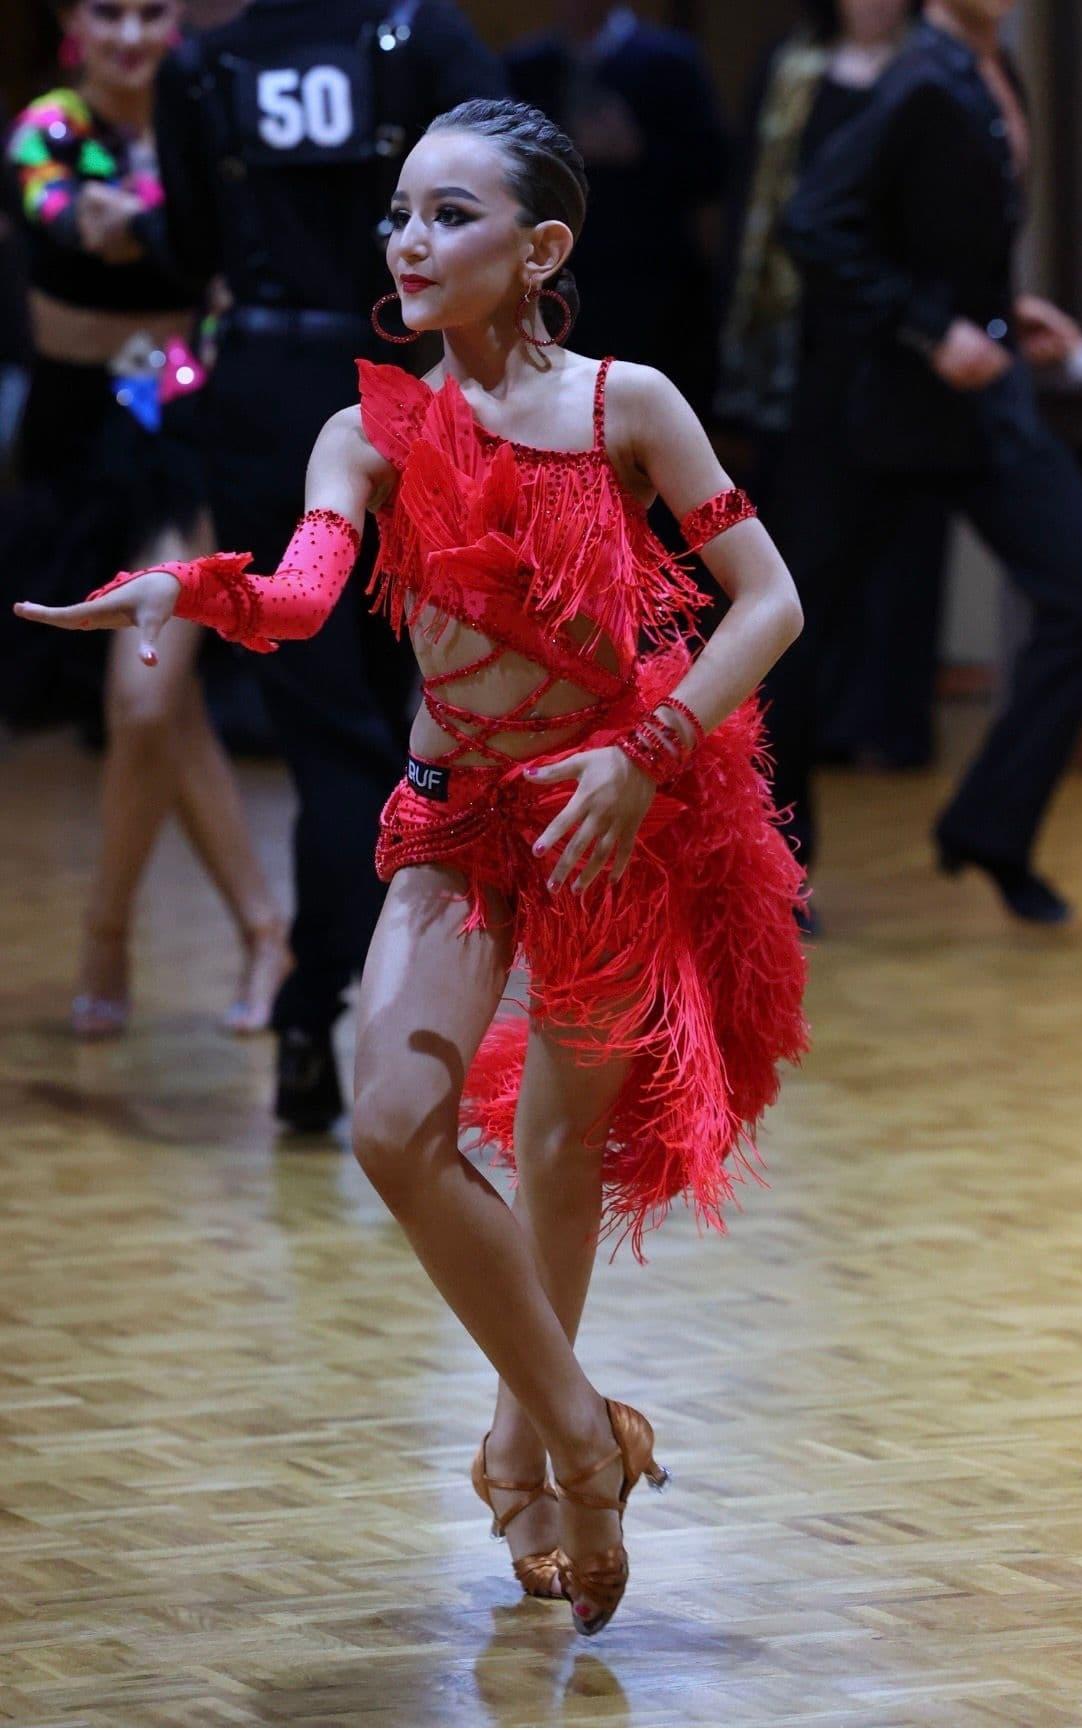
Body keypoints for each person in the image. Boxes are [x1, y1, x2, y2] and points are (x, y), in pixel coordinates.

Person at [16, 98, 807, 1636]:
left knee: (565, 1156)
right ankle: (587, 1429)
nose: (408, 240)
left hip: (604, 812)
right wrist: (187, 587)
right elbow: (307, 594)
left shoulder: (625, 407)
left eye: (451, 215)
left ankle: (529, 1450)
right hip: (453, 821)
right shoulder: (366, 428)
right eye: (399, 214)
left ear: (540, 248)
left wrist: (646, 760)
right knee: (391, 1122)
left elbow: (766, 600)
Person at [148, 0, 507, 1128]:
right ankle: (391, 1023)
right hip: (415, 395)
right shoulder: (428, 37)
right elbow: (521, 181)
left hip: (264, 394)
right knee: (424, 722)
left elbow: (193, 250)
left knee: (329, 733)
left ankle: (315, 1015)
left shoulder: (206, 67)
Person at [4, 0, 286, 1037]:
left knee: (143, 697)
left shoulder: (202, 121)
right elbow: (72, 223)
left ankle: (106, 928)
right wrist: (168, 231)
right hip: (74, 443)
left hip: (175, 433)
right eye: (108, 11)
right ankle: (265, 929)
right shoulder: (49, 127)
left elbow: (226, 266)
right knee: (172, 716)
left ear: (180, 22)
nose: (130, 34)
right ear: (74, 22)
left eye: (152, 12)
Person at [771, 0, 1082, 923]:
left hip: (980, 400)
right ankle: (774, 874)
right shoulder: (917, 81)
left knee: (1077, 591)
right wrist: (930, 324)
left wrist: (999, 312)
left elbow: (948, 232)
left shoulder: (994, 73)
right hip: (877, 409)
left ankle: (989, 829)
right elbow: (814, 224)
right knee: (795, 625)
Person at [720, 0, 946, 776]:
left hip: (916, 356)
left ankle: (890, 727)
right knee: (805, 570)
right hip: (809, 356)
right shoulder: (791, 71)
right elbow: (763, 211)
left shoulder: (939, 70)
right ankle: (789, 799)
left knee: (907, 561)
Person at [506, 1, 728, 418]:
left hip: (652, 280)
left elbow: (712, 169)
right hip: (556, 277)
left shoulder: (669, 60)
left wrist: (637, 150)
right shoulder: (527, 65)